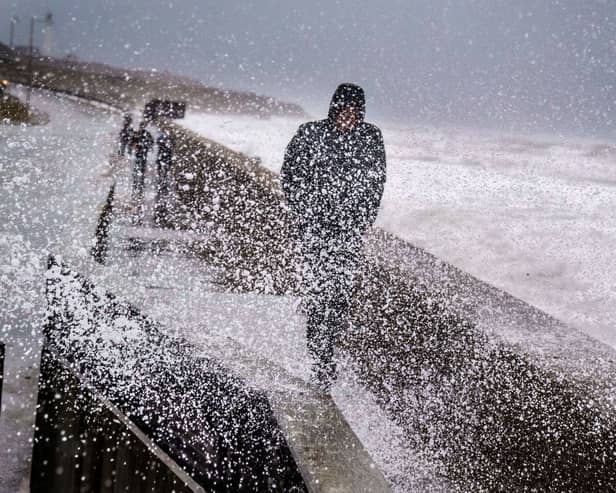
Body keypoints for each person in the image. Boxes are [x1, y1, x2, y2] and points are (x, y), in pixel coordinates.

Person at [281, 83, 387, 390]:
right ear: (333, 109)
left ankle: (328, 351)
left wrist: (362, 221)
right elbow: (290, 175)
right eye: (342, 110)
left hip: (348, 233)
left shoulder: (370, 137)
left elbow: (376, 183)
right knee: (318, 295)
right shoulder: (310, 133)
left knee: (339, 296)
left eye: (354, 112)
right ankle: (320, 359)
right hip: (314, 231)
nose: (348, 117)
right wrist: (306, 213)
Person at [131, 121, 154, 211]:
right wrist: (134, 146)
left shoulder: (145, 134)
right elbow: (132, 142)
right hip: (140, 153)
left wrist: (145, 146)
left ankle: (139, 182)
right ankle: (138, 181)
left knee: (140, 166)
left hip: (142, 153)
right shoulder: (141, 134)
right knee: (139, 166)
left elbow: (151, 142)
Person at [154, 128, 173, 225]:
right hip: (164, 162)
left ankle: (162, 184)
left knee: (162, 176)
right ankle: (163, 184)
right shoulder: (167, 144)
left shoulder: (164, 144)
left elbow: (158, 143)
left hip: (163, 162)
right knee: (163, 176)